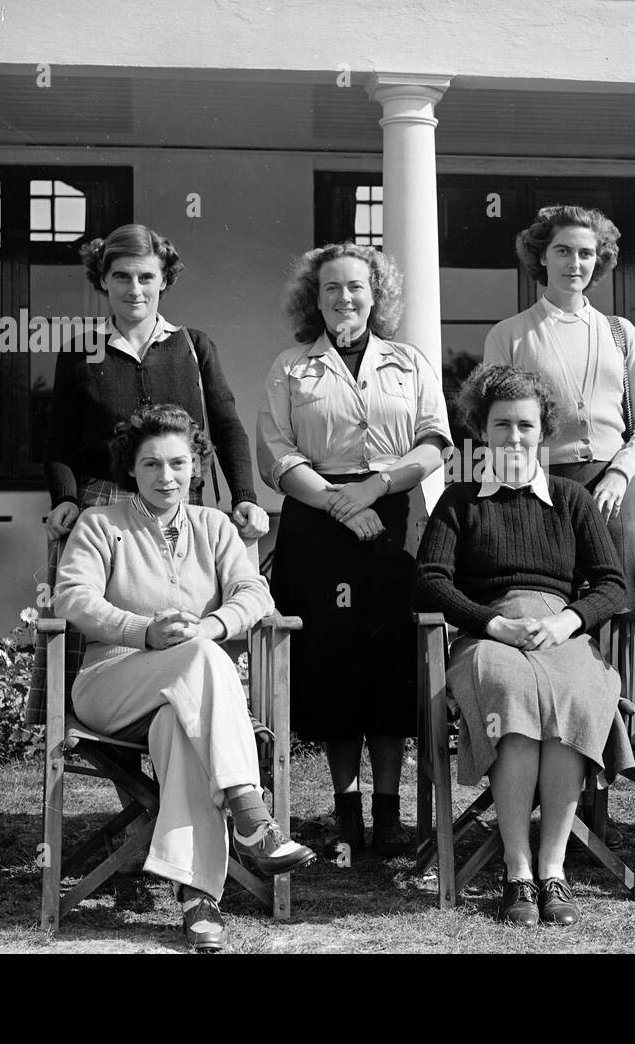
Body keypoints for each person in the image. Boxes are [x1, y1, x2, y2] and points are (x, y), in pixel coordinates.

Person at [53, 404, 315, 953]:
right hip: (112, 683)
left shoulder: (216, 527)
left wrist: (214, 624)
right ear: (132, 469)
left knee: (181, 728)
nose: (166, 477)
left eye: (177, 463)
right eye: (151, 464)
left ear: (196, 465)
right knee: (201, 660)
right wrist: (144, 631)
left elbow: (254, 594)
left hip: (190, 698)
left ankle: (199, 903)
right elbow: (72, 597)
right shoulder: (101, 525)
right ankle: (250, 813)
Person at [413, 364, 633, 927]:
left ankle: (552, 871)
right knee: (512, 696)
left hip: (559, 631)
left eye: (526, 426)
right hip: (489, 636)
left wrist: (566, 623)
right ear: (482, 432)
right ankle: (517, 872)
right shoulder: (459, 500)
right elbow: (431, 579)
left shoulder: (573, 499)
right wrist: (493, 624)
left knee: (575, 695)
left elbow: (612, 584)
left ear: (544, 432)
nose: (514, 437)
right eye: (502, 425)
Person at [256, 243, 452, 859]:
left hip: (394, 518)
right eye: (333, 288)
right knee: (332, 661)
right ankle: (346, 811)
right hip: (318, 526)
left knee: (391, 658)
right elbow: (278, 455)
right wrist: (339, 502)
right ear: (314, 298)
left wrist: (372, 488)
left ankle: (389, 813)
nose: (345, 298)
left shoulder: (410, 361)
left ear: (377, 295)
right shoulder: (290, 367)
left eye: (357, 287)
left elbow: (434, 441)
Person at [483, 204, 635, 842]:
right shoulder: (512, 332)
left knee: (618, 622)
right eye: (563, 251)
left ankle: (604, 804)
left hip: (616, 488)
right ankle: (539, 785)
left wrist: (620, 471)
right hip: (547, 490)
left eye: (587, 254)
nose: (576, 264)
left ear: (601, 261)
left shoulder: (621, 333)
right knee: (556, 622)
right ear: (542, 256)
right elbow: (501, 425)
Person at [45, 222, 268, 542]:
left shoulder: (194, 347)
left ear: (164, 280)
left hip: (180, 501)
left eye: (146, 277)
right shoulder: (80, 352)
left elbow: (227, 427)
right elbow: (60, 439)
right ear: (104, 279)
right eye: (122, 276)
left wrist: (244, 496)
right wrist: (64, 498)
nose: (134, 289)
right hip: (102, 507)